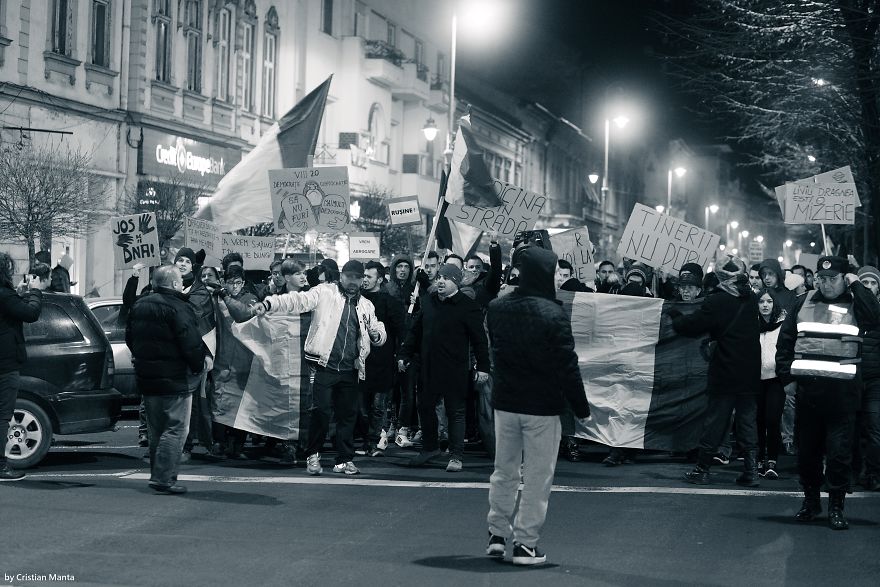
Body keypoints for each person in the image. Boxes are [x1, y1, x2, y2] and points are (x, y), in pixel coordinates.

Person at [484, 246, 590, 565]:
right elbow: (566, 365)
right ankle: (525, 543)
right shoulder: (553, 313)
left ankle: (497, 534)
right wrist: (580, 407)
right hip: (542, 405)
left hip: (506, 401)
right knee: (537, 477)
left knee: (504, 470)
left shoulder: (498, 308)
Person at [253, 260, 386, 476]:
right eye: (349, 276)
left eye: (357, 278)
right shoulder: (324, 292)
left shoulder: (366, 305)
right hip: (322, 365)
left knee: (347, 416)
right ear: (342, 276)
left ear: (362, 281)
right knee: (320, 412)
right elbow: (298, 300)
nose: (352, 281)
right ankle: (312, 454)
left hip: (351, 369)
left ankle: (344, 460)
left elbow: (376, 327)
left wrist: (379, 335)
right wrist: (269, 304)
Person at [776, 256, 880, 529]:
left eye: (832, 278)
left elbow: (874, 317)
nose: (825, 283)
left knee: (838, 454)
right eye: (821, 278)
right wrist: (787, 377)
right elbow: (785, 340)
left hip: (843, 395)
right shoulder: (804, 301)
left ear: (844, 279)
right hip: (809, 393)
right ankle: (811, 501)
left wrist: (857, 282)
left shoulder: (856, 301)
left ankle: (836, 506)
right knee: (807, 453)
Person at [670, 257, 761, 487]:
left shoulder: (717, 301)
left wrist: (675, 316)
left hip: (725, 371)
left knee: (715, 422)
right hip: (750, 371)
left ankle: (703, 469)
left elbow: (693, 327)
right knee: (747, 422)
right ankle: (751, 471)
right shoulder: (751, 298)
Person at [399, 264, 490, 472]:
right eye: (439, 277)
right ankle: (430, 448)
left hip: (455, 369)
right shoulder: (428, 302)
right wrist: (404, 354)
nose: (440, 281)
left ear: (456, 282)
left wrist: (483, 366)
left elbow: (479, 340)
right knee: (425, 408)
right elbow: (415, 332)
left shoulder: (468, 306)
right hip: (428, 368)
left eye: (446, 278)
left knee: (455, 412)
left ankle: (456, 455)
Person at [126, 266, 206, 495]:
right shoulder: (179, 307)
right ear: (172, 284)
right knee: (176, 428)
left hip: (147, 377)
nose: (182, 282)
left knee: (157, 429)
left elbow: (129, 337)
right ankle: (163, 478)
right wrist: (197, 366)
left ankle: (157, 474)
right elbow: (191, 343)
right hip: (175, 378)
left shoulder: (140, 305)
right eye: (179, 279)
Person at [0, 253, 46, 481]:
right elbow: (30, 313)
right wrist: (35, 292)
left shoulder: (7, 296)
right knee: (2, 415)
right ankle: (0, 466)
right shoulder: (4, 295)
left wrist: (17, 294)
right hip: (5, 363)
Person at [358, 261, 406, 456]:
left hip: (383, 363)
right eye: (364, 276)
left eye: (369, 276)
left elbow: (401, 332)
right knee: (361, 407)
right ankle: (365, 440)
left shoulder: (390, 303)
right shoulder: (355, 300)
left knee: (378, 406)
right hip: (360, 362)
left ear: (379, 279)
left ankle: (374, 440)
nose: (365, 280)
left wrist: (401, 356)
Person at [756, 288, 786, 480]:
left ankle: (772, 460)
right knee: (758, 420)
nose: (765, 305)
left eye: (769, 301)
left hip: (776, 378)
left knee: (772, 420)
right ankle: (759, 459)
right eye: (761, 302)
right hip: (755, 379)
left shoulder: (782, 325)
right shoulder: (751, 324)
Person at [857, 265, 880, 491]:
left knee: (874, 429)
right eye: (865, 283)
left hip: (875, 381)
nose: (870, 287)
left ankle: (873, 472)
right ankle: (853, 469)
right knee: (851, 429)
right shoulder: (850, 309)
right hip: (851, 377)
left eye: (873, 283)